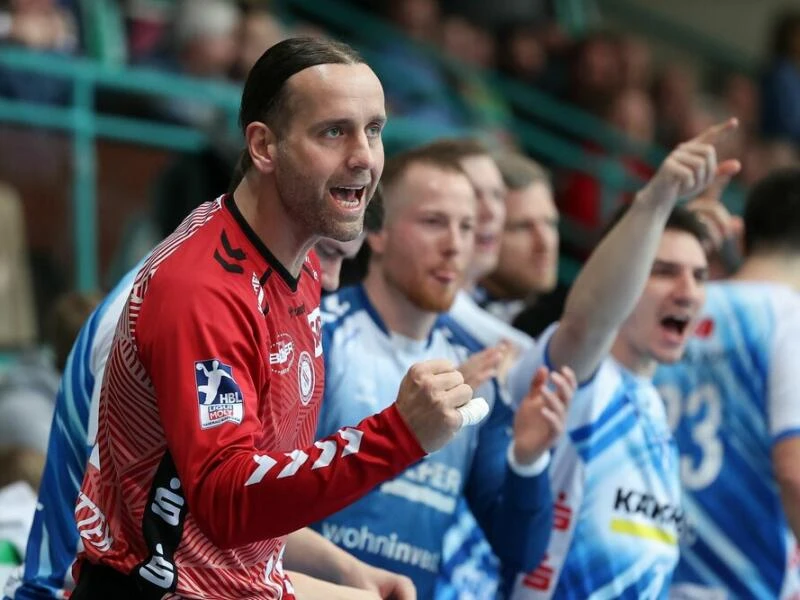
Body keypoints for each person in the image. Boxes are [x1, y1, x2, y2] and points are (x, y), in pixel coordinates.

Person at [69, 38, 483, 599]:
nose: (364, 156)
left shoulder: (299, 266)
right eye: (333, 131)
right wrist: (398, 434)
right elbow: (228, 502)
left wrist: (349, 578)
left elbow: (245, 525)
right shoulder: (203, 290)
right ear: (264, 146)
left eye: (375, 129)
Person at [4, 219, 395, 600]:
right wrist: (399, 437)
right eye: (325, 251)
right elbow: (156, 552)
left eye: (347, 258)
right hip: (66, 582)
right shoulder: (190, 300)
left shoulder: (257, 295)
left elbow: (219, 526)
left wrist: (347, 571)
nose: (330, 279)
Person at [315, 143, 576, 599]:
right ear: (377, 232)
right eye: (434, 222)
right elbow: (262, 499)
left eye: (468, 227)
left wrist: (529, 459)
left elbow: (522, 550)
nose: (455, 246)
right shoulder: (320, 336)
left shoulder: (480, 371)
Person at [506, 119, 741, 599]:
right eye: (664, 272)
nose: (689, 291)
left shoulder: (654, 406)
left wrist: (680, 222)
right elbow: (588, 320)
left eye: (699, 275)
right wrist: (655, 202)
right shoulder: (583, 379)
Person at [654, 168, 800, 599]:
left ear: (742, 238)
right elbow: (794, 471)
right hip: (744, 581)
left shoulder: (673, 306)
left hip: (657, 568)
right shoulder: (789, 317)